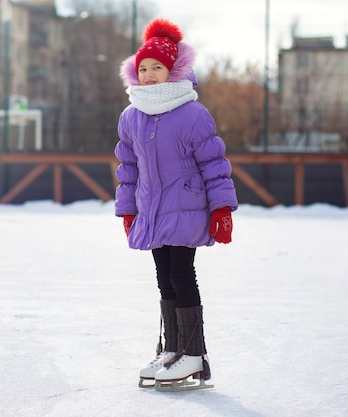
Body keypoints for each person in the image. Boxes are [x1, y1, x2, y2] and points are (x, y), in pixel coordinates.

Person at [114, 18, 238, 391]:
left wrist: (221, 210)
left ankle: (193, 354)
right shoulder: (131, 116)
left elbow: (214, 166)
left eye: (157, 68)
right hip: (152, 213)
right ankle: (171, 350)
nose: (150, 74)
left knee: (183, 275)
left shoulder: (192, 114)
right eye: (144, 69)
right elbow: (128, 168)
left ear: (173, 70)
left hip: (186, 209)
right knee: (163, 276)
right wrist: (128, 210)